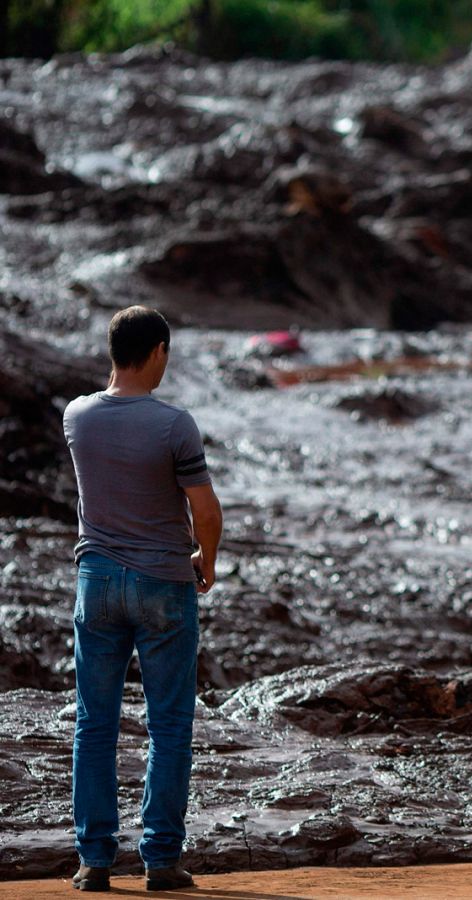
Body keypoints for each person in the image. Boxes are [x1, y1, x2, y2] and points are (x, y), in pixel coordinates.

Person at [63, 305, 223, 894]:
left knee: (94, 725)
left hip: (97, 580)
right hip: (163, 582)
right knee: (170, 726)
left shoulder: (76, 416)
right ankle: (160, 861)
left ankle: (93, 862)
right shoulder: (174, 424)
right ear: (157, 350)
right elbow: (204, 511)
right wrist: (205, 560)